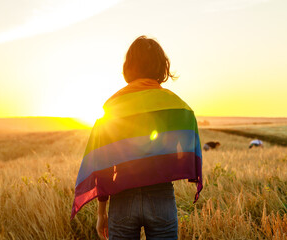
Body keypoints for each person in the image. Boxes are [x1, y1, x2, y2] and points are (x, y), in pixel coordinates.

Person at [71, 36, 203, 240]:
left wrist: (101, 213)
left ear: (129, 67)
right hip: (161, 198)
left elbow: (103, 166)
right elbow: (183, 153)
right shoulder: (177, 107)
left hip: (122, 199)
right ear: (162, 67)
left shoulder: (113, 107)